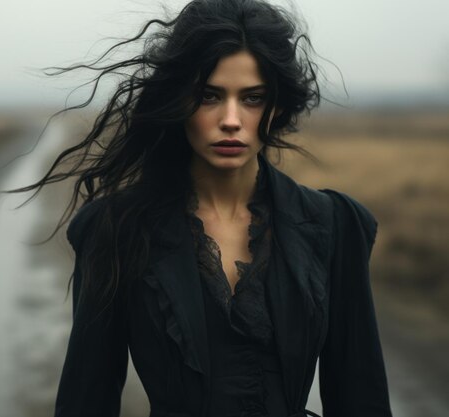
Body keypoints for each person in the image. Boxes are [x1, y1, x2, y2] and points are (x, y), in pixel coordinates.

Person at [19, 0, 393, 415]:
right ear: (179, 101)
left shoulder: (334, 225)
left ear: (279, 107)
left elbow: (362, 398)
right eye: (209, 96)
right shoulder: (117, 229)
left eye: (252, 98)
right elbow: (86, 400)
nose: (231, 119)